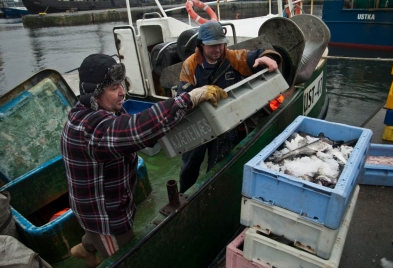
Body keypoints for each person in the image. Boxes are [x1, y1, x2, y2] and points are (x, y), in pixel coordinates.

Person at [60, 53, 227, 267]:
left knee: (93, 232)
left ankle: (85, 248)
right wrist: (189, 98)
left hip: (95, 199)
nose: (122, 92)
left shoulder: (94, 110)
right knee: (127, 257)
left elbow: (135, 125)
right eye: (113, 89)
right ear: (94, 95)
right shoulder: (91, 128)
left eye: (121, 84)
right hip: (104, 215)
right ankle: (96, 248)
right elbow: (134, 129)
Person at [177, 21, 282, 193]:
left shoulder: (231, 57)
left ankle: (213, 192)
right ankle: (184, 195)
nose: (217, 49)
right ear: (201, 44)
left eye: (221, 44)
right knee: (191, 162)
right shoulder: (190, 65)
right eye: (212, 45)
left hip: (224, 119)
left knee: (219, 160)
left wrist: (266, 57)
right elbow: (182, 97)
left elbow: (252, 56)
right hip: (199, 120)